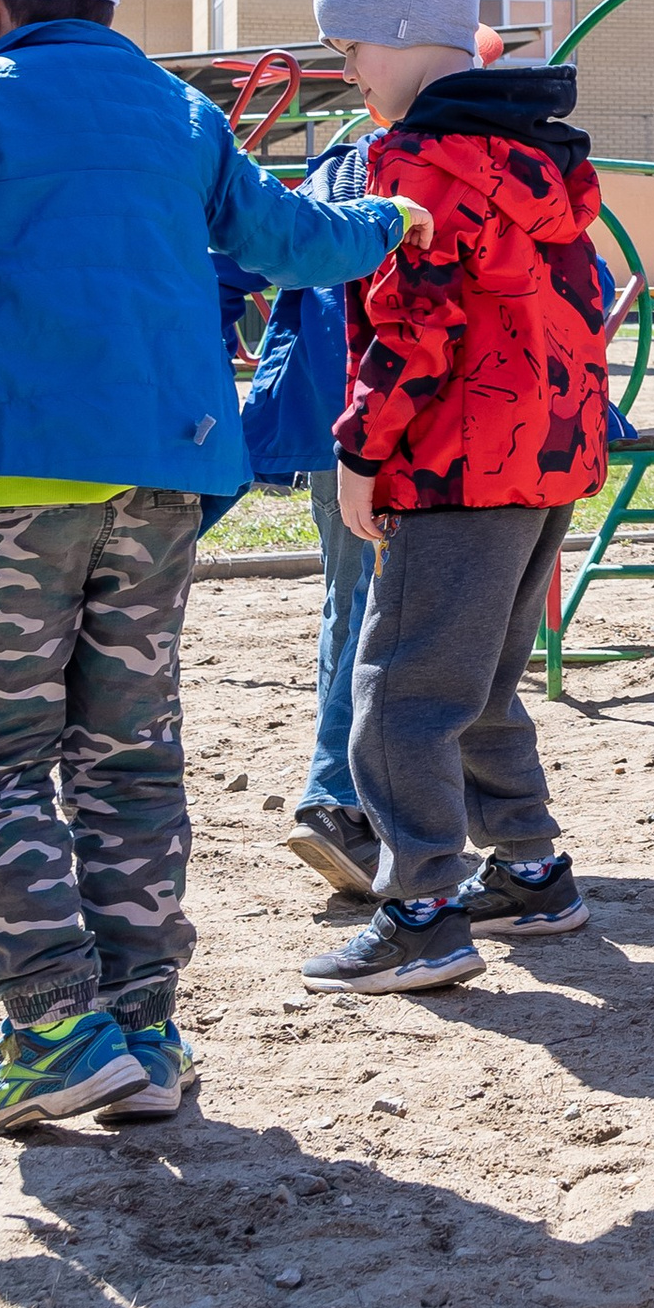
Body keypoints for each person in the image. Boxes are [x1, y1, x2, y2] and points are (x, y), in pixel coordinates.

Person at [0, 0, 422, 1138]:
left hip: (5, 484)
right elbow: (289, 241)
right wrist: (387, 219)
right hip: (163, 480)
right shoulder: (180, 116)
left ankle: (51, 1027)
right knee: (129, 756)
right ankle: (144, 1029)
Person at [298, 0, 610, 997]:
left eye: (351, 50)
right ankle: (531, 870)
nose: (348, 73)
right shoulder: (532, 155)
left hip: (456, 460)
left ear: (394, 27)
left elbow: (410, 324)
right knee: (475, 679)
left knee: (398, 691)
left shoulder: (420, 165)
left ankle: (423, 904)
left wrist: (360, 449)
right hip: (545, 456)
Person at [235, 110, 392, 897]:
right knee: (387, 608)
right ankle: (338, 799)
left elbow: (257, 254)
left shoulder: (337, 167)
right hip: (400, 421)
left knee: (349, 597)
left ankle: (354, 798)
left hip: (338, 416)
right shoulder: (454, 164)